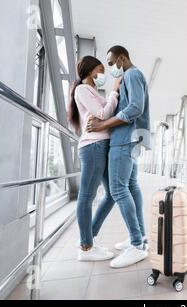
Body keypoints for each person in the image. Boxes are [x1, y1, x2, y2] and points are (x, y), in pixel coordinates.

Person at [87, 45, 151, 268]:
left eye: (112, 63)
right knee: (131, 187)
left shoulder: (132, 73)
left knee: (117, 189)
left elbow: (135, 107)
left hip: (124, 140)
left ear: (122, 58)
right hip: (131, 140)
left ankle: (137, 245)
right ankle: (140, 237)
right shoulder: (130, 76)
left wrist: (103, 124)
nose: (111, 68)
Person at [68, 55, 121, 262]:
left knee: (111, 194)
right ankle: (86, 248)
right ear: (91, 70)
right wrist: (114, 93)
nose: (103, 74)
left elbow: (103, 114)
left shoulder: (91, 90)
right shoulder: (82, 89)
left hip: (101, 145)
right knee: (87, 196)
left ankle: (88, 236)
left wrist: (110, 97)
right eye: (100, 70)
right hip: (93, 146)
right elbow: (102, 113)